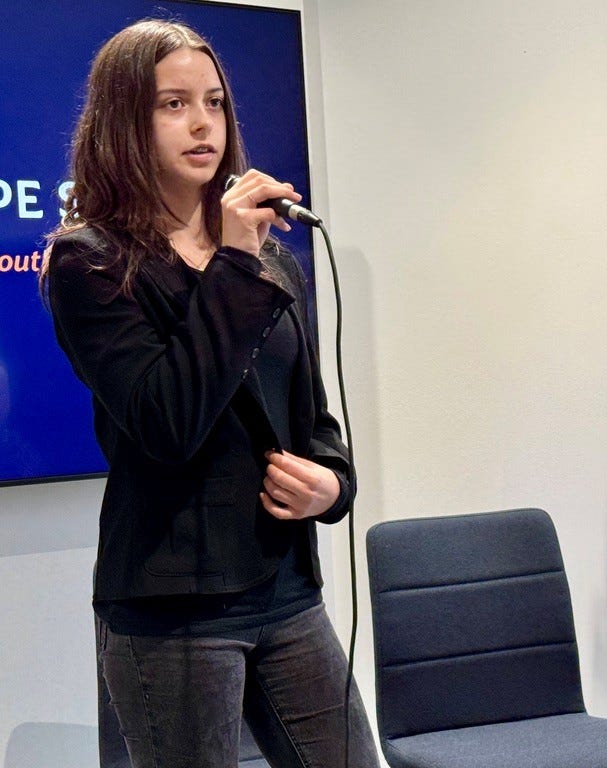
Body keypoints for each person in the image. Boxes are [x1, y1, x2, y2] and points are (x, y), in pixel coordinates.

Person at [40, 20, 379, 768]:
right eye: (174, 104)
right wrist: (231, 261)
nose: (203, 124)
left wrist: (334, 484)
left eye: (215, 102)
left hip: (286, 590)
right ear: (124, 120)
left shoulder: (271, 261)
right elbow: (169, 420)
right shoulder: (90, 263)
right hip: (173, 607)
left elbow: (312, 418)